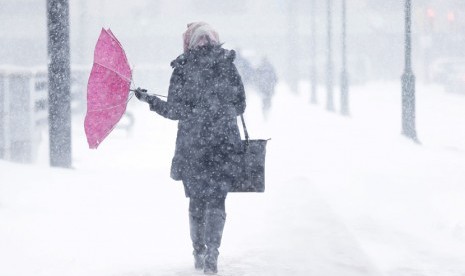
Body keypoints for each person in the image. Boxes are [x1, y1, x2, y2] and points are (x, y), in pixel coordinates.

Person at [134, 22, 246, 275]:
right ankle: (213, 255)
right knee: (217, 201)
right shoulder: (227, 65)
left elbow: (173, 111)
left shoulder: (183, 68)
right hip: (224, 144)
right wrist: (218, 111)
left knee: (197, 201)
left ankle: (199, 252)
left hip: (193, 145)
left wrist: (149, 99)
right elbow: (240, 105)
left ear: (189, 42)